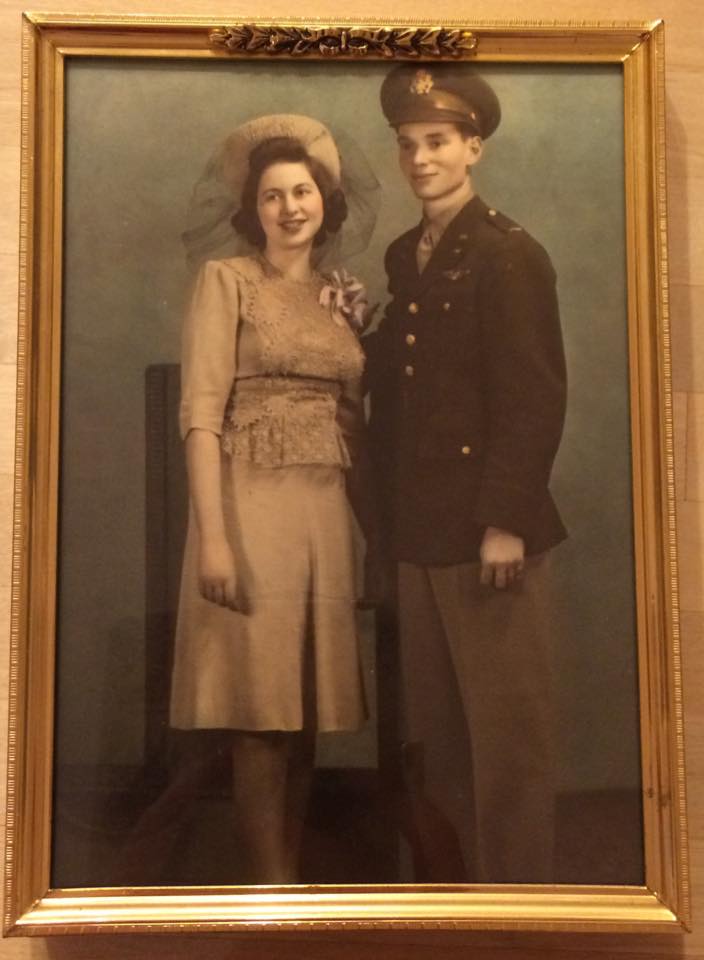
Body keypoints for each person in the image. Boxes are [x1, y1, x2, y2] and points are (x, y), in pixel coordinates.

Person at [365, 65, 567, 883]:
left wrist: (506, 521)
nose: (419, 158)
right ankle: (452, 902)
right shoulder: (406, 255)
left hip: (489, 532)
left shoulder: (509, 254)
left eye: (438, 142)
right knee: (438, 736)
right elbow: (411, 381)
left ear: (473, 147)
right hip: (421, 529)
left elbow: (533, 395)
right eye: (408, 144)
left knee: (508, 737)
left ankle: (520, 904)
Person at [169, 114, 378, 884]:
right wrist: (214, 539)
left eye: (302, 191)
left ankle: (290, 878)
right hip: (250, 508)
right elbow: (199, 413)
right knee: (262, 716)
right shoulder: (226, 283)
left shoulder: (341, 296)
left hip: (324, 512)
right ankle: (268, 887)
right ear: (251, 210)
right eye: (271, 196)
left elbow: (358, 415)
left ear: (325, 200)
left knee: (308, 712)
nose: (289, 207)